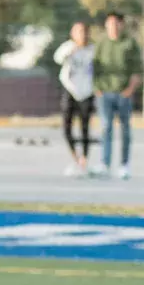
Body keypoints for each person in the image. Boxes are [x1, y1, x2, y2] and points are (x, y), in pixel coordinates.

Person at [91, 11, 141, 180]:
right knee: (106, 129)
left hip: (123, 93)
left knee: (125, 129)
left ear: (121, 24)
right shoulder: (101, 43)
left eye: (115, 23)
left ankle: (124, 165)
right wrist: (97, 88)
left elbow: (137, 69)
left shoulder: (130, 43)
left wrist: (130, 89)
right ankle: (105, 164)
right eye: (109, 23)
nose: (112, 26)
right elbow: (94, 67)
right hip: (105, 93)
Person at [53, 21, 96, 177]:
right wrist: (70, 51)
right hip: (70, 90)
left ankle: (84, 160)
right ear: (73, 34)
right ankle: (75, 158)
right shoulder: (68, 47)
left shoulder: (93, 50)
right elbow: (57, 58)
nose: (82, 35)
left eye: (84, 31)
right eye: (78, 32)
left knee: (85, 128)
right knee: (66, 127)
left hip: (87, 92)